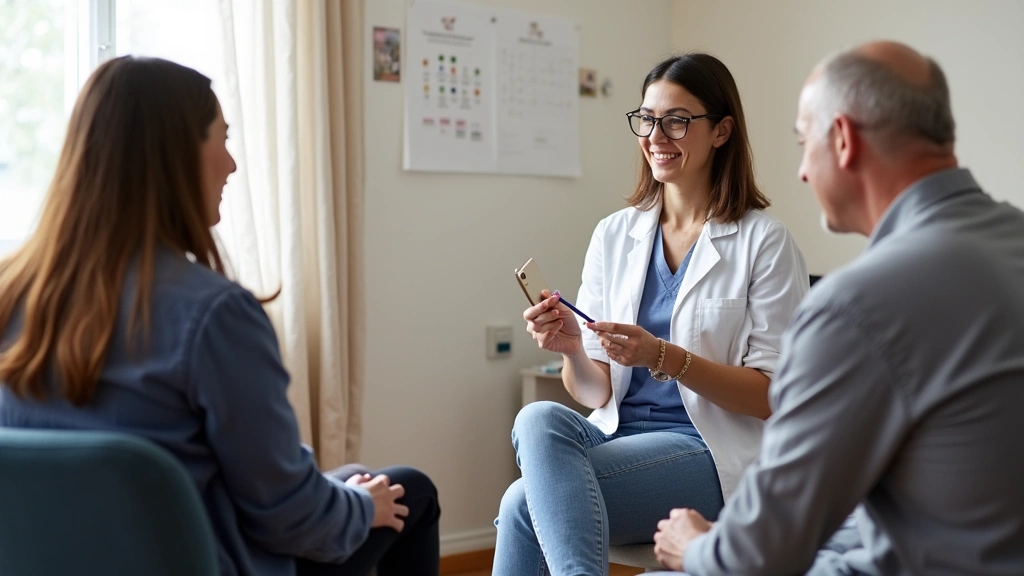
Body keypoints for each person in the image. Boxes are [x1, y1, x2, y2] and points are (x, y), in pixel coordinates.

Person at [0, 56, 439, 576]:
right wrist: (362, 507)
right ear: (175, 156)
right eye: (223, 140)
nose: (231, 165)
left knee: (352, 480)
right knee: (408, 490)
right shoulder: (213, 316)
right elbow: (291, 519)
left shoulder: (10, 290)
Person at [650, 41, 1024, 575]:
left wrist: (692, 546)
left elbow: (758, 556)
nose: (803, 171)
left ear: (844, 140)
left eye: (806, 143)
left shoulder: (856, 307)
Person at [493, 53, 808, 575]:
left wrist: (663, 356)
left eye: (677, 121)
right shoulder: (614, 234)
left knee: (521, 504)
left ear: (722, 131)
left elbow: (773, 396)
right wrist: (572, 349)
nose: (656, 136)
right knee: (537, 417)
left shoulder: (765, 242)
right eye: (647, 119)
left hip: (708, 451)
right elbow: (596, 392)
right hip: (615, 434)